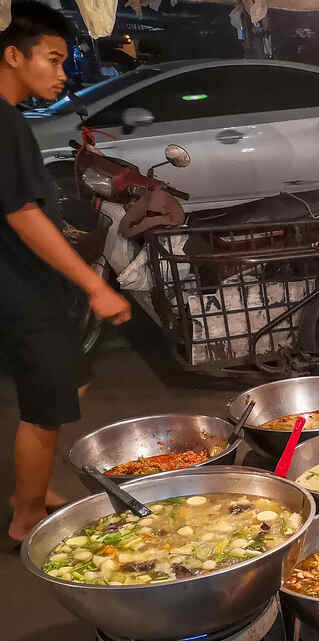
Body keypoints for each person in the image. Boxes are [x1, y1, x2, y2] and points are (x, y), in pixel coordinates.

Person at [0, 2, 130, 542]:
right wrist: (95, 284)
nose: (61, 74)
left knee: (61, 388)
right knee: (46, 406)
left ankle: (34, 488)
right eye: (52, 60)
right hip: (22, 290)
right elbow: (22, 212)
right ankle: (26, 516)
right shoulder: (3, 120)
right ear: (13, 55)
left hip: (26, 284)